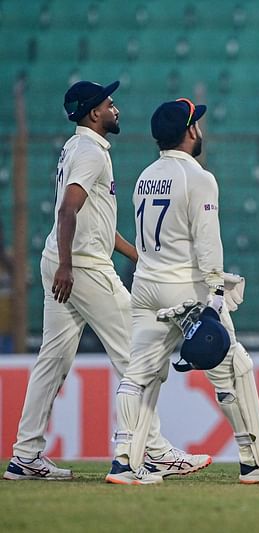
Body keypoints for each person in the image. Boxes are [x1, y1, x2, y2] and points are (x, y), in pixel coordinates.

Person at [4, 81, 205, 481]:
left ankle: (25, 454)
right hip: (83, 267)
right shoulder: (90, 153)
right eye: (109, 104)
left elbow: (95, 221)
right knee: (137, 350)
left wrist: (138, 256)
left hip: (67, 261)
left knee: (52, 361)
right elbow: (68, 211)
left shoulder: (77, 148)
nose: (115, 108)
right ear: (94, 113)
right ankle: (155, 450)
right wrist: (67, 266)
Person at [105, 98, 259, 485]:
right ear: (191, 131)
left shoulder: (145, 176)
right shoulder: (199, 177)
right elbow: (208, 242)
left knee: (139, 373)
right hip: (186, 288)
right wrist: (215, 292)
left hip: (146, 283)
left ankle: (125, 461)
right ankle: (256, 460)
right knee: (235, 367)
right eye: (199, 125)